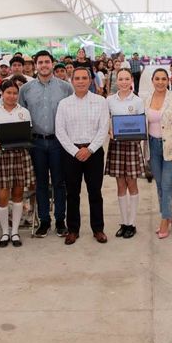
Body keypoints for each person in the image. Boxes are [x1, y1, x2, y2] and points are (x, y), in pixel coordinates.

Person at [19, 51, 73, 238]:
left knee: (59, 183)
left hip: (59, 142)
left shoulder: (66, 88)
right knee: (40, 183)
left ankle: (60, 220)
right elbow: (21, 116)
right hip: (36, 143)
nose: (44, 65)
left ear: (52, 64)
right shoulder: (25, 89)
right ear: (35, 65)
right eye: (40, 62)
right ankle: (44, 221)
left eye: (47, 62)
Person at [55, 67, 109, 245]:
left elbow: (103, 129)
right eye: (77, 78)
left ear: (90, 80)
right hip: (71, 153)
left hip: (94, 152)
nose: (80, 81)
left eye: (84, 78)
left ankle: (98, 229)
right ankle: (73, 229)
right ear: (72, 81)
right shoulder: (64, 104)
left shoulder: (100, 101)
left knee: (95, 192)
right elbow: (60, 131)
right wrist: (75, 151)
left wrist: (90, 149)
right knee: (72, 193)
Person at [0, 80, 35, 248]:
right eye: (8, 93)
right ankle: (4, 232)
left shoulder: (24, 112)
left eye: (15, 93)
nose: (12, 96)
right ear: (2, 94)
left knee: (18, 194)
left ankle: (14, 232)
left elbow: (28, 133)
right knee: (2, 196)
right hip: (2, 157)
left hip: (20, 155)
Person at [144, 69, 172, 239]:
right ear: (152, 80)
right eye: (157, 79)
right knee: (160, 184)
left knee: (167, 184)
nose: (160, 82)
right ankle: (168, 216)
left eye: (164, 79)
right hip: (153, 146)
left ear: (168, 80)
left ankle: (164, 220)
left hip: (171, 146)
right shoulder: (147, 99)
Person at [106, 69, 146, 239]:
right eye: (120, 79)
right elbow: (106, 120)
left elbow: (141, 122)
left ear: (131, 81)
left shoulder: (137, 101)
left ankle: (132, 223)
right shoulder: (109, 100)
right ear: (116, 81)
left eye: (126, 79)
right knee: (120, 185)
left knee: (132, 184)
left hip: (132, 146)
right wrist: (109, 130)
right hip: (116, 146)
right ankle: (123, 222)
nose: (123, 82)